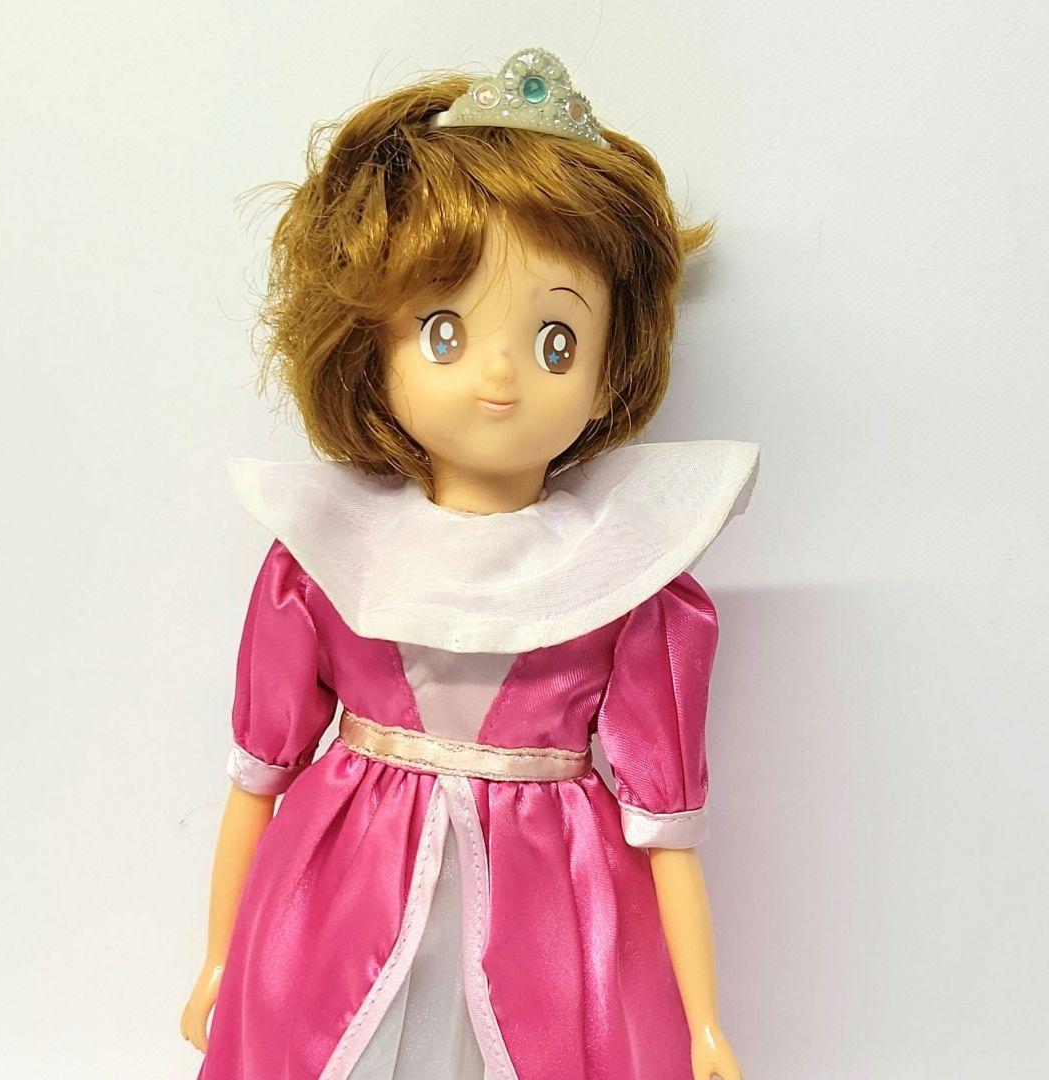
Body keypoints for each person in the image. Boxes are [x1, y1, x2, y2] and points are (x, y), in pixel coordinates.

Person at [181, 46, 758, 1080]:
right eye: (443, 331)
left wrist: (702, 1021)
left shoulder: (627, 579)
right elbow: (257, 779)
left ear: (609, 368)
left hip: (554, 904)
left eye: (554, 343)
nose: (498, 374)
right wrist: (221, 960)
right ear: (372, 346)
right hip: (343, 886)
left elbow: (666, 829)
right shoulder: (326, 559)